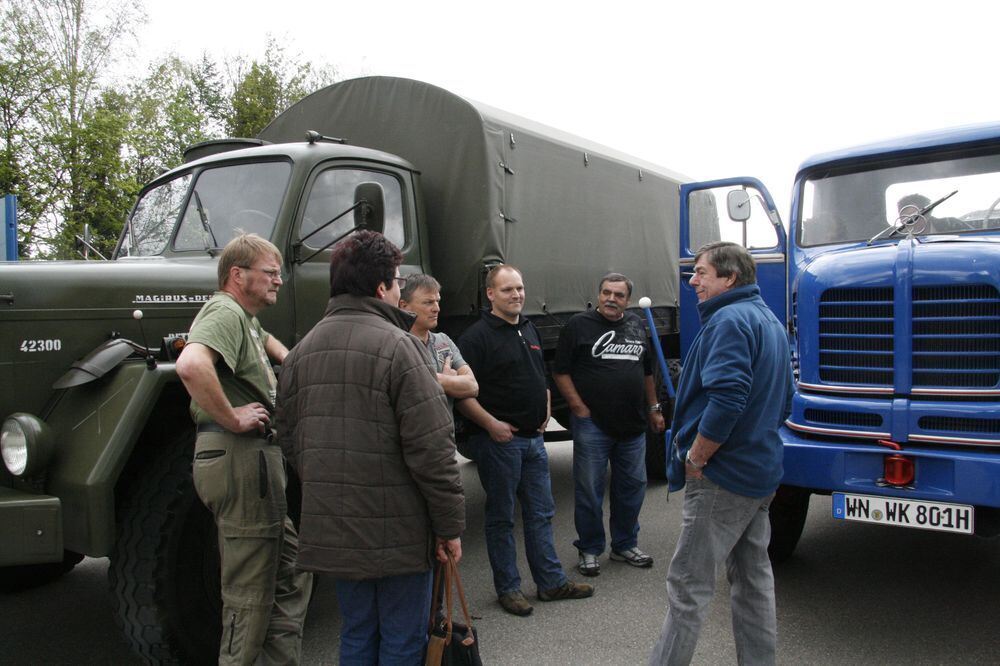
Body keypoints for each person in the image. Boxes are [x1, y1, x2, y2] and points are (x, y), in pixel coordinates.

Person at [275, 230, 465, 664]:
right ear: (382, 288)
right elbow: (433, 450)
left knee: (358, 634)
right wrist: (449, 527)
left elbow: (289, 438)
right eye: (398, 282)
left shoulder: (301, 352)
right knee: (403, 639)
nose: (399, 290)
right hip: (400, 529)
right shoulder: (400, 347)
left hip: (336, 527)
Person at [650, 242, 793, 666]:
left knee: (687, 588)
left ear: (729, 278)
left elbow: (728, 398)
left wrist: (696, 457)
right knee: (753, 582)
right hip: (760, 472)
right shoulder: (770, 320)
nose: (692, 281)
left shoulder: (728, 321)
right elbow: (785, 400)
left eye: (701, 273)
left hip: (723, 477)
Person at [175, 233, 312, 665]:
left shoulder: (246, 319)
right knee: (248, 594)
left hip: (255, 461)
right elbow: (191, 364)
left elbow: (280, 352)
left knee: (291, 569)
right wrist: (232, 417)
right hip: (239, 456)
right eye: (271, 274)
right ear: (238, 275)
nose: (279, 282)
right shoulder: (223, 310)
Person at [457, 264, 594, 617]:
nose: (517, 295)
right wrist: (492, 425)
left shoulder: (529, 327)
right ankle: (509, 589)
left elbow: (538, 376)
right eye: (507, 290)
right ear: (490, 295)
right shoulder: (476, 338)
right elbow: (462, 394)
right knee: (502, 518)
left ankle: (550, 583)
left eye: (519, 288)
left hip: (534, 441)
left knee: (541, 514)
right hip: (501, 443)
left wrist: (546, 406)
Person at [553, 272, 665, 578]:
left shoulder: (636, 325)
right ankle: (589, 548)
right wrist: (577, 406)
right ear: (598, 294)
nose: (611, 299)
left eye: (618, 295)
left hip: (633, 425)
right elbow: (560, 371)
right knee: (589, 490)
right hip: (593, 425)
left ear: (627, 300)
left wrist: (654, 408)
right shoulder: (579, 326)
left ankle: (625, 544)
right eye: (606, 293)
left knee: (633, 487)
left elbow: (646, 373)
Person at [398, 274, 479, 408]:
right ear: (404, 306)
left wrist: (439, 380)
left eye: (437, 301)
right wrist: (450, 381)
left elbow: (472, 386)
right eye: (428, 302)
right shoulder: (397, 344)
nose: (437, 308)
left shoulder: (443, 341)